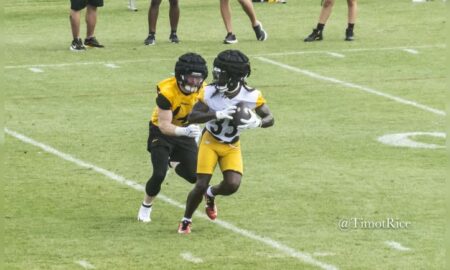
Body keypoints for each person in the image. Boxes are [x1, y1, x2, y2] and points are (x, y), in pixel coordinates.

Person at [177, 50, 274, 234]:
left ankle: (211, 194)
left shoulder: (251, 96)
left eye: (221, 75)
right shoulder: (209, 91)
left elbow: (270, 118)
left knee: (232, 185)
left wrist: (259, 122)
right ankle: (186, 219)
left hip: (232, 144)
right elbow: (192, 116)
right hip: (210, 141)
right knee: (200, 184)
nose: (217, 78)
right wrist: (216, 114)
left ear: (235, 77)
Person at [137, 53, 208, 223]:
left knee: (194, 176)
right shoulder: (167, 92)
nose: (195, 83)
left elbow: (206, 112)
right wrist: (186, 132)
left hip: (186, 130)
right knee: (159, 173)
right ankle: (146, 207)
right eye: (191, 78)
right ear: (181, 76)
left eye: (198, 79)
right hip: (161, 132)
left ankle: (173, 162)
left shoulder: (204, 90)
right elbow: (164, 125)